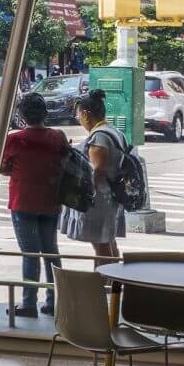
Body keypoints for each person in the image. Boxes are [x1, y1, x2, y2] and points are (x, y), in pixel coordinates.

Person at [0, 92, 67, 318]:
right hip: (50, 199)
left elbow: (3, 167)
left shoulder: (15, 139)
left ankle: (29, 302)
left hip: (23, 200)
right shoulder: (58, 136)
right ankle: (54, 301)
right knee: (51, 252)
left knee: (30, 254)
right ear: (45, 113)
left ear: (22, 116)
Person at [62, 90, 125, 265]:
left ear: (86, 114)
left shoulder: (99, 137)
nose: (78, 119)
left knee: (101, 245)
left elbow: (98, 171)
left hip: (100, 199)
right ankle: (114, 285)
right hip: (111, 196)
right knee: (108, 242)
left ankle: (103, 286)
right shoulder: (113, 131)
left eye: (78, 114)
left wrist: (86, 194)